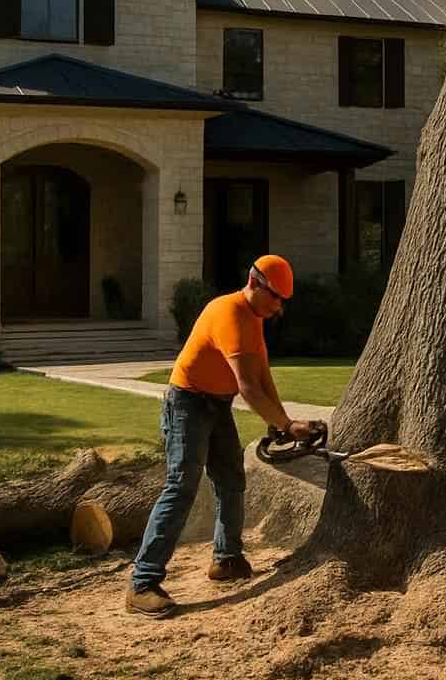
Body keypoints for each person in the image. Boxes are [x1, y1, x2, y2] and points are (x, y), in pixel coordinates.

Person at [125, 254, 314, 618]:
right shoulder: (229, 312)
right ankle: (142, 583)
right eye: (275, 298)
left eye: (283, 302)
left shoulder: (255, 317)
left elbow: (262, 376)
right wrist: (289, 427)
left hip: (216, 403)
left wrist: (282, 422)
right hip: (188, 403)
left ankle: (226, 559)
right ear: (254, 283)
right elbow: (248, 388)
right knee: (181, 486)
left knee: (230, 478)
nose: (278, 308)